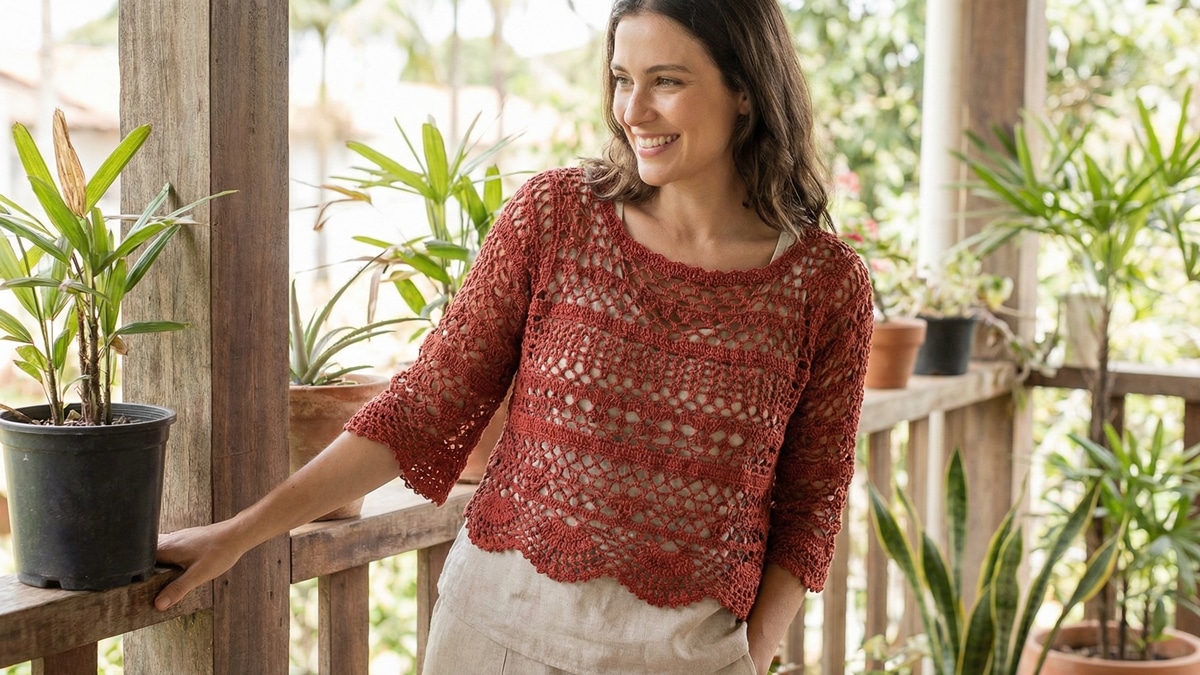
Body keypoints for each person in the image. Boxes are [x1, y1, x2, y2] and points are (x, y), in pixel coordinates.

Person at [154, 0, 874, 672]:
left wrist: (752, 652)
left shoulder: (825, 285)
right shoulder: (557, 217)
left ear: (745, 89)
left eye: (667, 81)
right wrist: (239, 534)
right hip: (493, 638)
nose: (633, 109)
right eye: (622, 79)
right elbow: (422, 408)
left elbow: (811, 507)